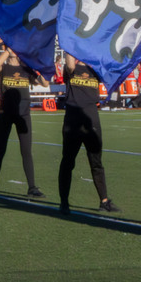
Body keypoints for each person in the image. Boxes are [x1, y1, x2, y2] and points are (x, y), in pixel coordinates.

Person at [57, 54, 117, 214]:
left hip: (91, 119)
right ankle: (64, 202)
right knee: (68, 162)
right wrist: (70, 45)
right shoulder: (71, 68)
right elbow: (70, 65)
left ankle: (104, 201)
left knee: (96, 162)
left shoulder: (96, 70)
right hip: (73, 119)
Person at [0, 47, 47, 199]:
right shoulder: (4, 68)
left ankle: (32, 187)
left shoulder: (26, 68)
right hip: (5, 114)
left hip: (23, 115)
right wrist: (9, 50)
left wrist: (40, 69)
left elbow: (45, 83)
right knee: (0, 150)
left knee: (26, 151)